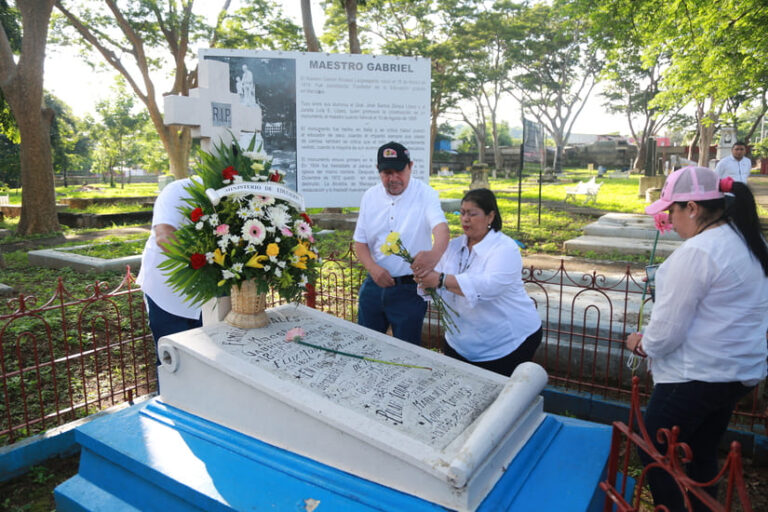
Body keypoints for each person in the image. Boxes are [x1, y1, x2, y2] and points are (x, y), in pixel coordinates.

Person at [624, 166, 768, 511]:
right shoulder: (746, 239)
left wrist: (641, 343)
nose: (669, 220)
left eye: (671, 210)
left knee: (654, 450)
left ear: (693, 208)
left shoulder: (697, 253)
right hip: (735, 373)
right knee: (700, 451)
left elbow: (665, 334)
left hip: (696, 376)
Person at [418, 188, 543, 376]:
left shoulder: (504, 249)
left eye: (472, 214)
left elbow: (488, 286)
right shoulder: (453, 247)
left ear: (490, 216)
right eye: (462, 213)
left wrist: (441, 279)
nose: (465, 219)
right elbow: (439, 285)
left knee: (501, 397)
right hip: (461, 340)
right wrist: (425, 280)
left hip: (506, 341)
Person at [353, 141, 449, 345]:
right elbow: (359, 243)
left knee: (408, 352)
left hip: (409, 291)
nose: (393, 178)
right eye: (387, 172)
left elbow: (441, 228)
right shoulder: (370, 196)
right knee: (366, 346)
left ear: (411, 167)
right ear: (378, 171)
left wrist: (434, 255)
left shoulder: (426, 194)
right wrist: (373, 269)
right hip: (374, 287)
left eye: (399, 171)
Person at [137, 177, 203, 363]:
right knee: (173, 362)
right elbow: (164, 236)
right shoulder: (178, 190)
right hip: (166, 292)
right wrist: (205, 265)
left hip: (206, 293)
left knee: (205, 360)